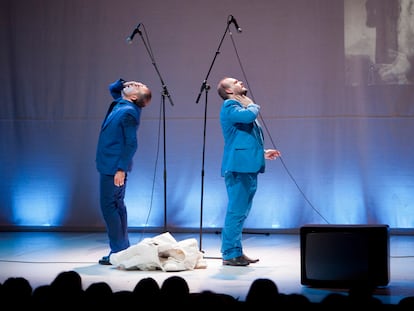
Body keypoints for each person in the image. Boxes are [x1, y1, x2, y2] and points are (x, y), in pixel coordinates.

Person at [217, 77, 281, 266]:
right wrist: (252, 104)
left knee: (242, 211)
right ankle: (229, 253)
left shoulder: (239, 108)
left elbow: (242, 139)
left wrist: (262, 153)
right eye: (235, 82)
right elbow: (248, 117)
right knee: (236, 211)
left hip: (247, 166)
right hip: (237, 167)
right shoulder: (230, 105)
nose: (241, 82)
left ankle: (236, 251)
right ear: (229, 91)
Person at [96, 78, 152, 265]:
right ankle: (122, 248)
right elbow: (113, 88)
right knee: (116, 204)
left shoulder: (128, 111)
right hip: (108, 163)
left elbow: (131, 144)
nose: (133, 85)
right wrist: (125, 82)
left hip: (113, 166)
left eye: (136, 86)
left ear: (134, 96)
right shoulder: (121, 103)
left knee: (110, 206)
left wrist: (121, 168)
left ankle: (118, 250)